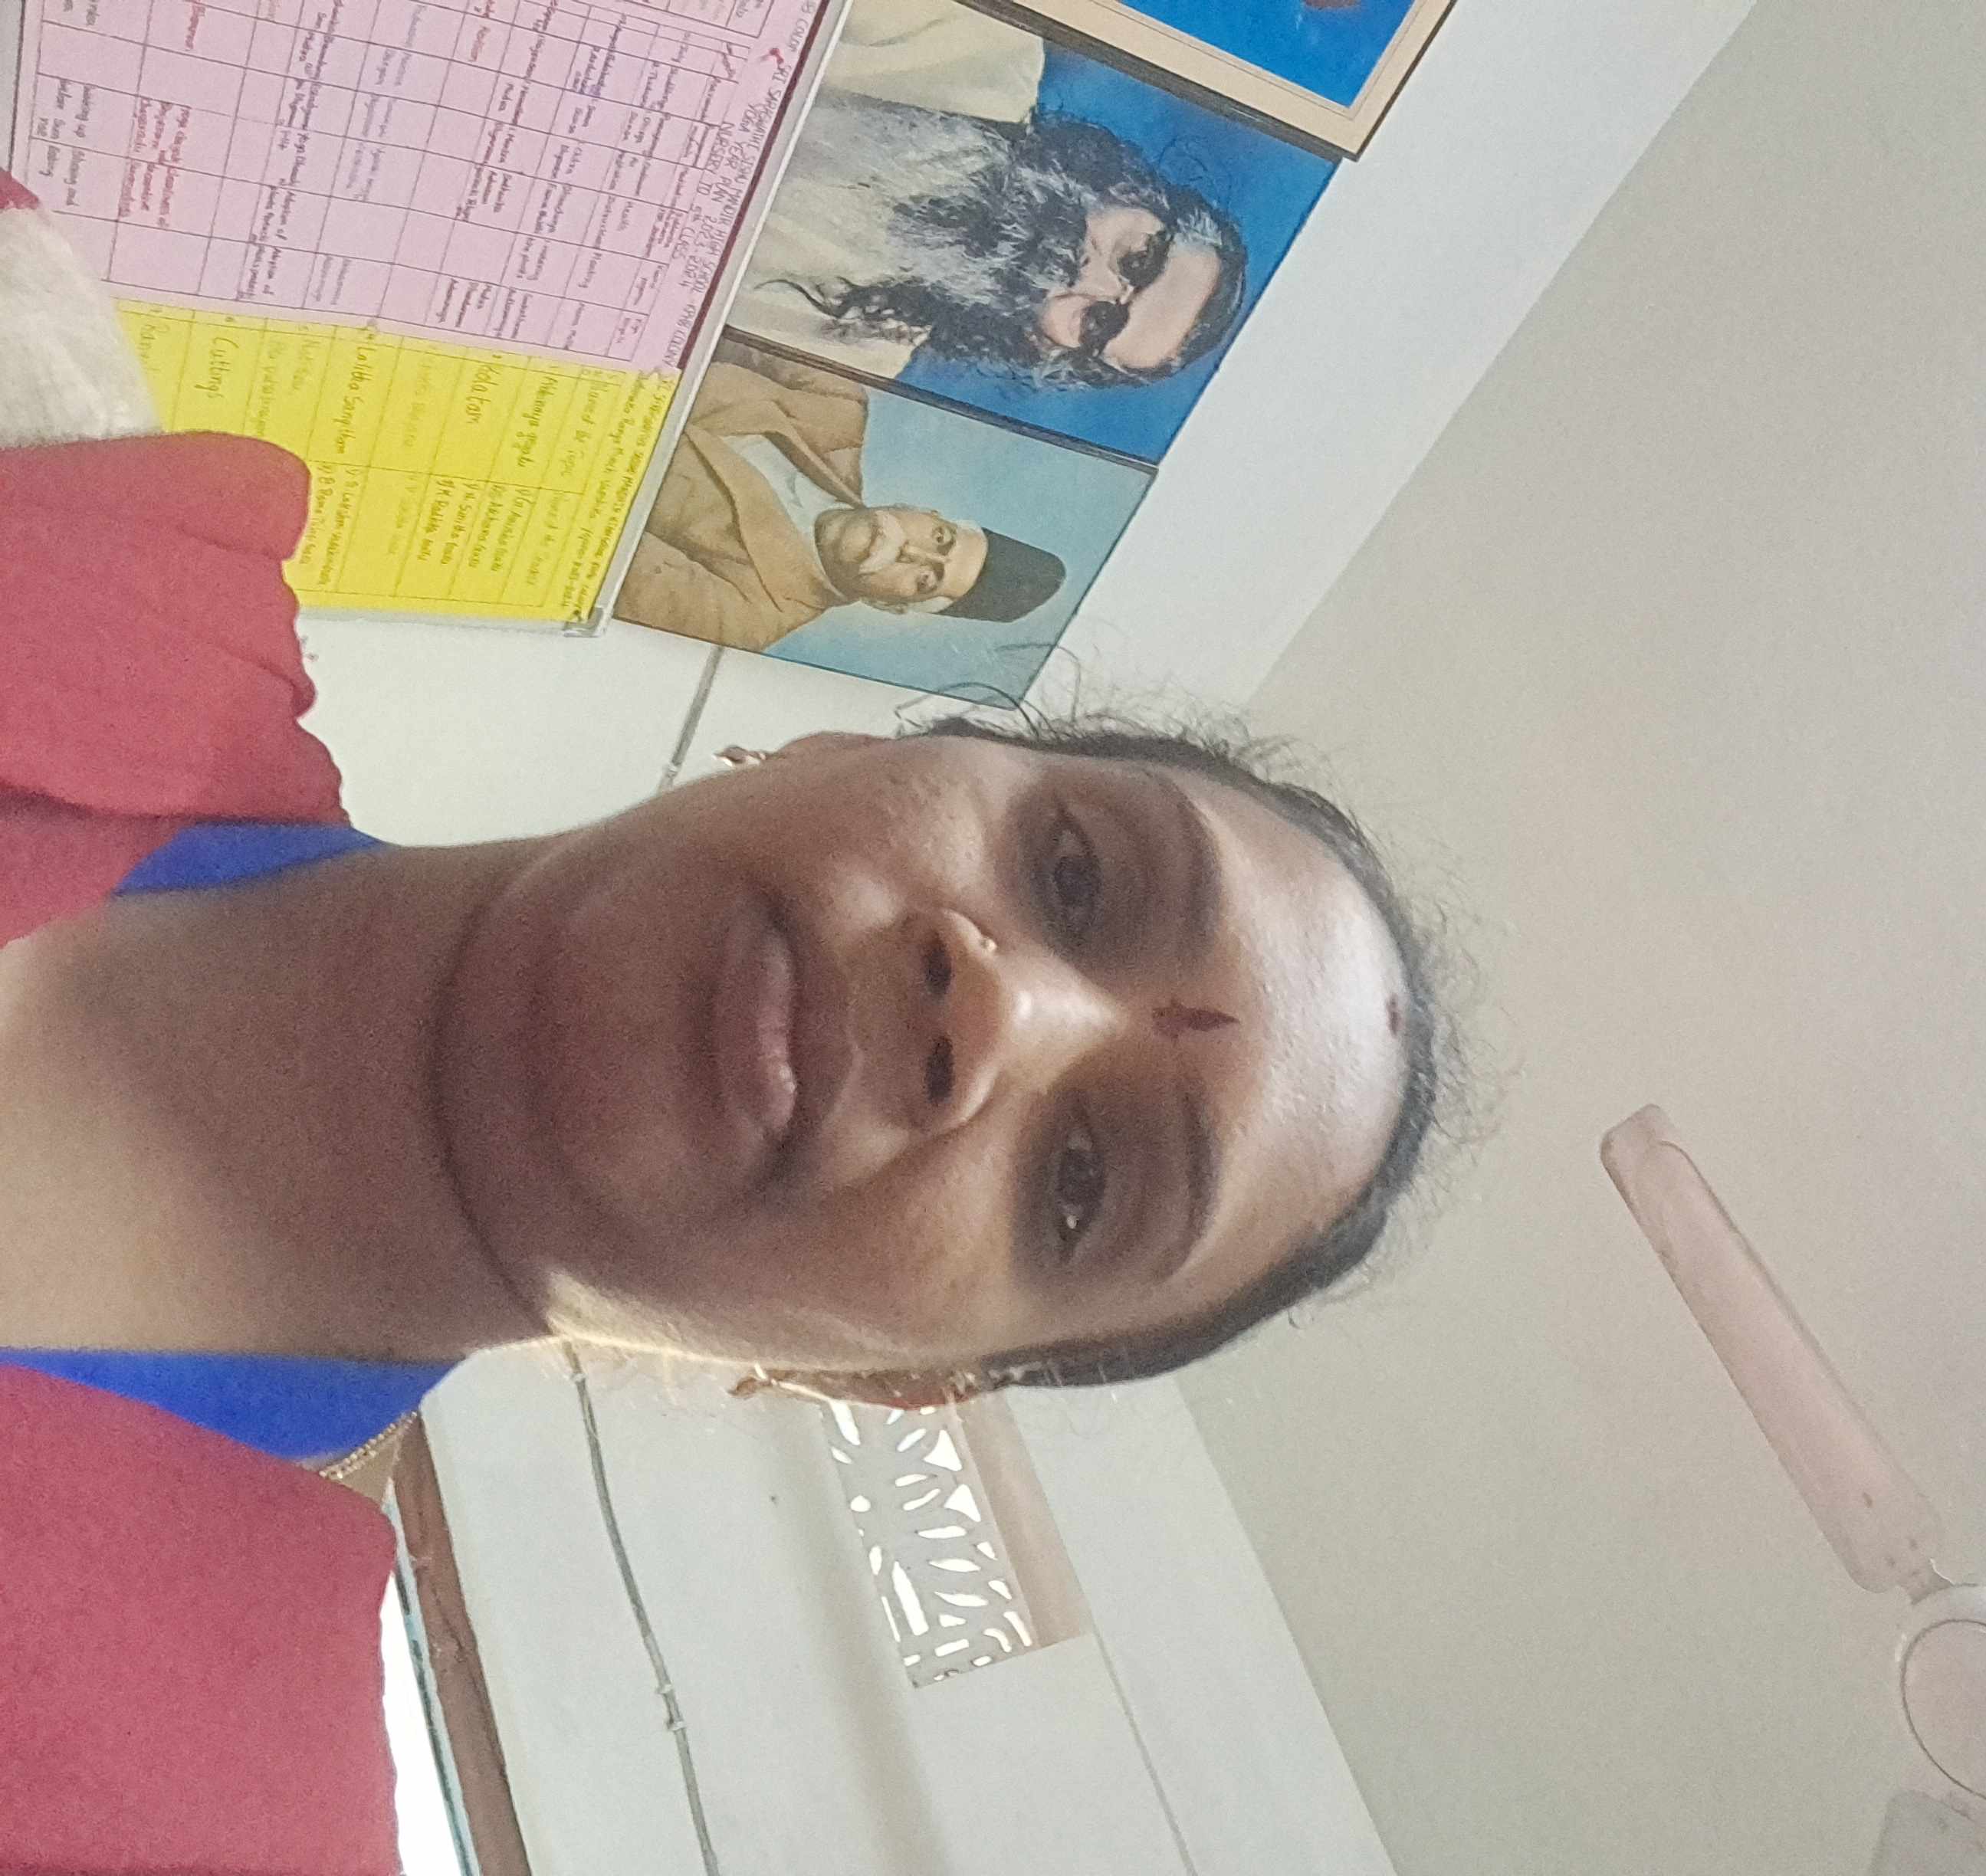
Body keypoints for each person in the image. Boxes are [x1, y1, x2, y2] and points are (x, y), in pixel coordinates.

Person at [0, 166, 1444, 1872]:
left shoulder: (192, 1823)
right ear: (852, 745)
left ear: (891, 1384)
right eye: (1073, 872)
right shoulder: (49, 434)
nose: (996, 1009)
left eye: (1082, 1183)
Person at [730, 0, 1250, 389]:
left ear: (1048, 350)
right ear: (1135, 193)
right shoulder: (985, 45)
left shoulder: (853, 352)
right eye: (1139, 259)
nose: (1089, 279)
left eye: (1100, 322)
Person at [615, 344, 1067, 651]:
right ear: (923, 511)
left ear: (890, 606)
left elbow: (588, 543)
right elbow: (700, 326)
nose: (910, 552)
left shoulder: (748, 617)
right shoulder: (836, 402)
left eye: (925, 580)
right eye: (940, 538)